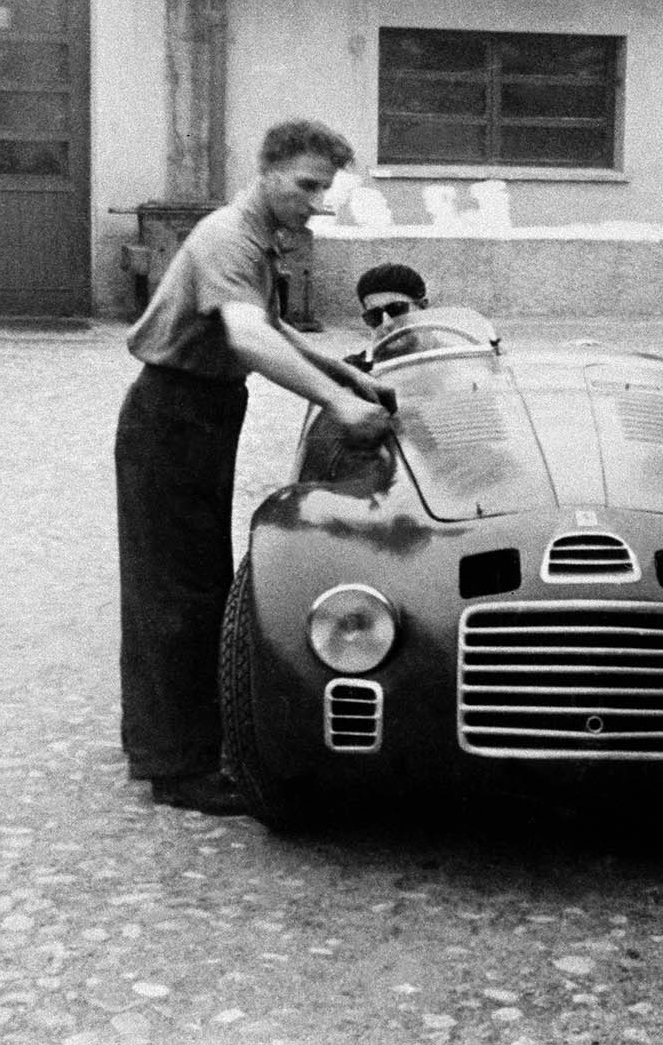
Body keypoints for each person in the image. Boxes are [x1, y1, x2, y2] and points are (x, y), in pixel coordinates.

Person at [115, 120, 395, 816]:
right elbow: (245, 336)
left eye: (323, 188)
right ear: (266, 172)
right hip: (172, 412)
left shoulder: (256, 239)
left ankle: (159, 742)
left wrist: (350, 377)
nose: (314, 201)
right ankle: (177, 769)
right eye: (304, 185)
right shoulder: (227, 237)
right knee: (176, 591)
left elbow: (272, 328)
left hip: (204, 411)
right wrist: (337, 401)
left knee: (190, 579)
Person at [343, 262, 429, 371]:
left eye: (396, 309)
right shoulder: (354, 370)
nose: (387, 323)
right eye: (374, 315)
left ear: (423, 307)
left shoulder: (451, 357)